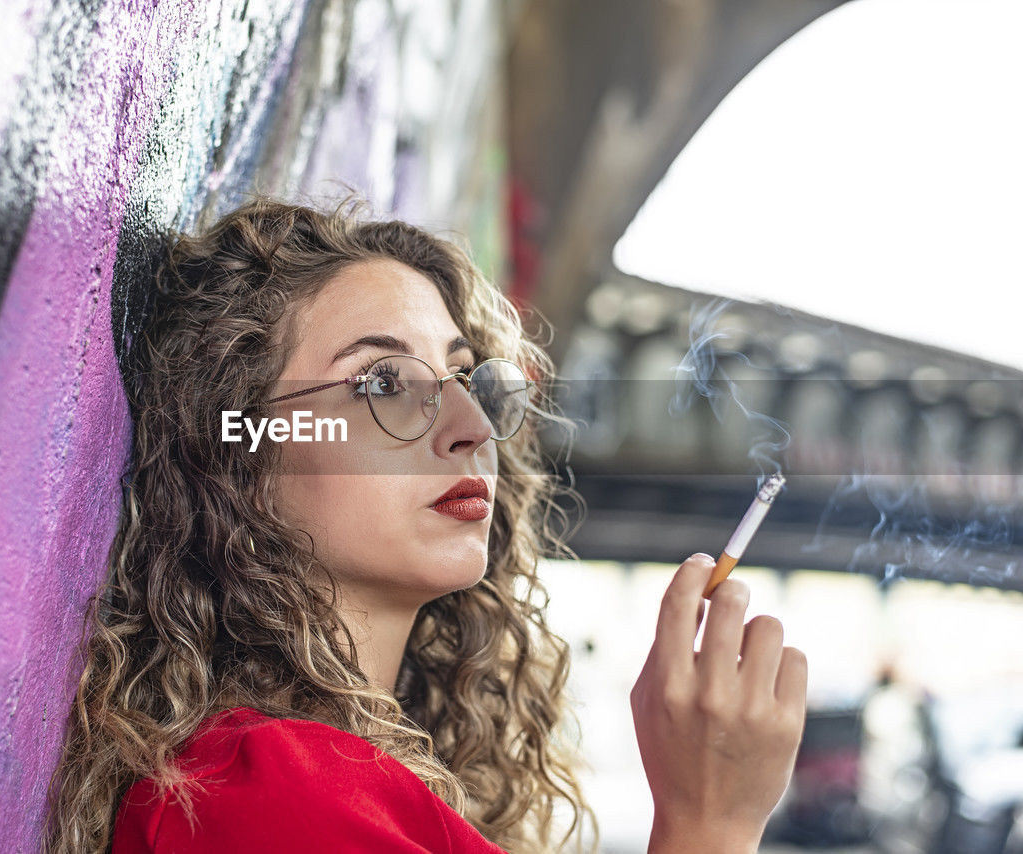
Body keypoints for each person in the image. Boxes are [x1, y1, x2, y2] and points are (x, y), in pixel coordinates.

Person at [41, 195, 808, 854]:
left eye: (464, 377)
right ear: (241, 456)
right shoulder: (262, 798)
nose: (472, 424)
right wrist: (710, 821)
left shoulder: (349, 782)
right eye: (381, 382)